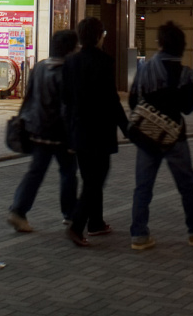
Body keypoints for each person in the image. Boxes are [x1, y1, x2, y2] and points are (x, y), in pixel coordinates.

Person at [127, 22, 193, 250]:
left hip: (148, 136)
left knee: (143, 186)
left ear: (160, 43)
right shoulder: (185, 74)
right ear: (182, 46)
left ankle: (139, 235)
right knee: (186, 185)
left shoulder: (145, 70)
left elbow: (132, 101)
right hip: (175, 136)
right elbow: (187, 108)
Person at [63, 17, 127, 245]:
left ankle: (96, 223)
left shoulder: (70, 62)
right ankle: (77, 225)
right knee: (95, 180)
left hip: (79, 129)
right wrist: (126, 127)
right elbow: (111, 99)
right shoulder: (104, 61)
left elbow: (66, 99)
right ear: (99, 36)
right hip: (100, 129)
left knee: (90, 176)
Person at [8, 28, 78, 233]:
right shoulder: (68, 71)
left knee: (35, 172)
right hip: (60, 133)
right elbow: (67, 106)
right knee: (68, 172)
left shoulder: (39, 67)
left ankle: (18, 211)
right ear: (71, 49)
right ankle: (70, 214)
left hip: (36, 128)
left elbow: (29, 97)